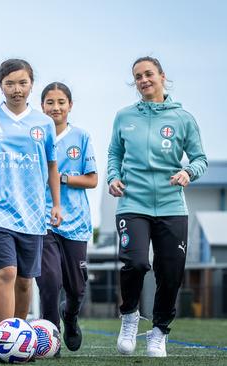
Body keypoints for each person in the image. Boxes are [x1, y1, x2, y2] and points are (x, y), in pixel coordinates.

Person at [108, 56, 207, 357]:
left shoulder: (183, 118)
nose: (143, 80)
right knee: (136, 263)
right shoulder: (124, 116)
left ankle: (159, 331)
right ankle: (129, 316)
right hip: (132, 203)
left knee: (170, 272)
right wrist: (113, 177)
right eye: (137, 76)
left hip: (171, 205)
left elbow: (199, 159)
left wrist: (187, 173)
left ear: (162, 76)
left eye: (148, 74)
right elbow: (114, 153)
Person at [0, 59, 63, 323]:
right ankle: (6, 336)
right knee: (7, 271)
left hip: (31, 212)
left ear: (31, 84)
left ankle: (21, 336)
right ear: (1, 86)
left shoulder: (44, 123)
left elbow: (52, 166)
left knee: (24, 281)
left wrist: (56, 203)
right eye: (9, 83)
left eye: (22, 83)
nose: (16, 89)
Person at [35, 82, 97, 353]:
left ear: (70, 106)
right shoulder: (34, 137)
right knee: (49, 280)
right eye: (50, 102)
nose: (55, 107)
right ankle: (51, 337)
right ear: (42, 106)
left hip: (75, 223)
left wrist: (60, 178)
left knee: (76, 288)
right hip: (41, 220)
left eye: (61, 102)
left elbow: (93, 180)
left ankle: (69, 317)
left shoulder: (81, 137)